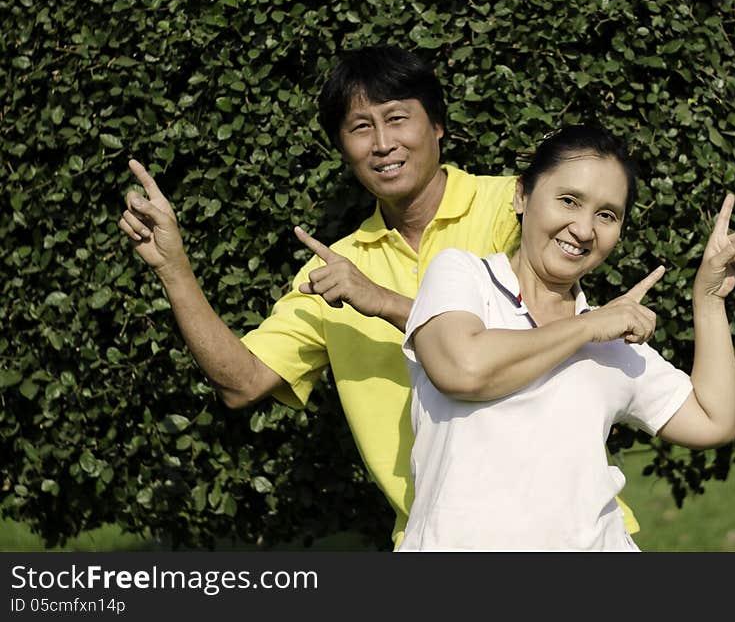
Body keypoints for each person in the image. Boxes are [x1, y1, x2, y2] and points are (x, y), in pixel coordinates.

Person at [117, 45, 640, 549]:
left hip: (579, 531)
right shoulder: (336, 270)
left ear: (437, 125)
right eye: (360, 128)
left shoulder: (515, 207)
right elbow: (243, 383)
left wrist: (383, 302)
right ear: (343, 148)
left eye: (397, 118)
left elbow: (543, 336)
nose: (382, 143)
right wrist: (174, 269)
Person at [398, 125, 735, 551]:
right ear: (521, 196)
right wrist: (587, 327)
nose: (584, 229)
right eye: (569, 201)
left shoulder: (610, 337)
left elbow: (713, 421)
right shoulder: (463, 277)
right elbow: (463, 368)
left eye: (607, 215)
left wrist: (709, 299)